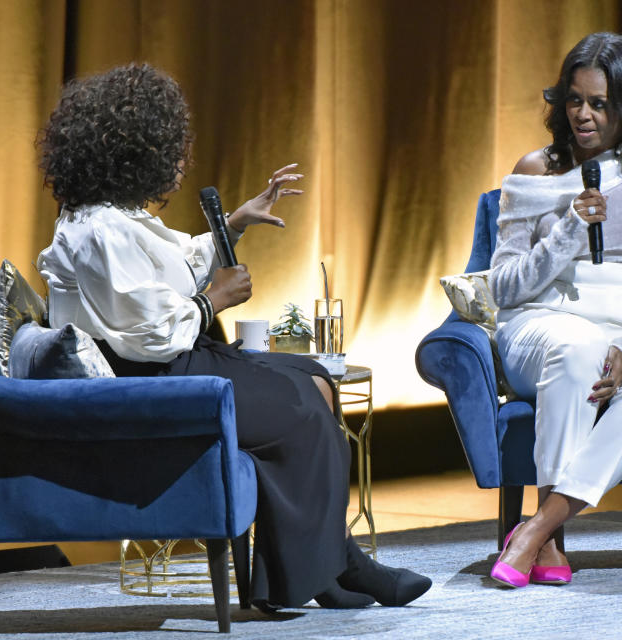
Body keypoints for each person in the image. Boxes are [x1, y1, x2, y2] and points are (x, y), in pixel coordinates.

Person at [35, 63, 430, 611]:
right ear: (134, 151)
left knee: (313, 376)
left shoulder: (114, 218)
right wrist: (214, 300)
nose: (180, 162)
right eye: (171, 148)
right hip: (149, 381)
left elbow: (171, 268)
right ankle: (331, 572)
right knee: (298, 406)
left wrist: (235, 223)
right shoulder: (99, 230)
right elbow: (147, 334)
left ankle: (326, 570)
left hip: (163, 363)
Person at [488, 33, 622, 588]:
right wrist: (568, 229)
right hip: (545, 317)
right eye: (574, 99)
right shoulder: (535, 170)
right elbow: (506, 288)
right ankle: (550, 537)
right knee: (578, 350)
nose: (583, 115)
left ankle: (539, 529)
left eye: (600, 104)